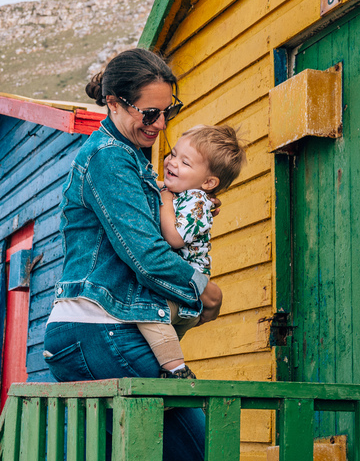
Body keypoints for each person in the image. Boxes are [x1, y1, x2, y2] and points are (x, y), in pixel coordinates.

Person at [44, 48, 222, 461]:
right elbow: (145, 256)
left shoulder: (131, 159)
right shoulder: (109, 159)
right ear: (114, 103)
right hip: (100, 328)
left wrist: (195, 207)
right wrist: (202, 288)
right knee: (200, 452)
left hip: (101, 330)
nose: (160, 124)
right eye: (149, 114)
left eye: (168, 111)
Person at [136, 125, 245, 379]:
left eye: (184, 162)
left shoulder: (196, 200)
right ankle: (169, 366)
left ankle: (177, 371)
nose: (172, 162)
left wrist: (164, 199)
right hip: (178, 288)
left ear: (208, 182)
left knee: (146, 311)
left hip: (184, 288)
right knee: (164, 340)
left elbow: (174, 238)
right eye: (173, 154)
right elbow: (156, 184)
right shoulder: (185, 193)